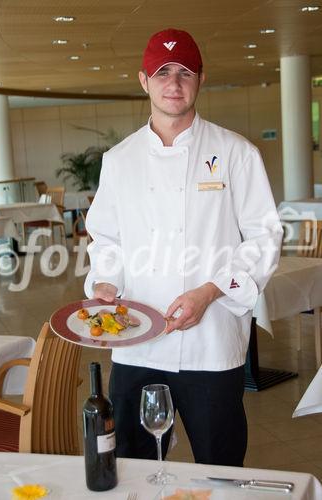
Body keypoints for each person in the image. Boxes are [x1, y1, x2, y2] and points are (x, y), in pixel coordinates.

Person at [84, 28, 283, 466]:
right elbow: (107, 238)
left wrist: (210, 290)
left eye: (185, 72)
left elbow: (265, 236)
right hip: (138, 340)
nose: (174, 83)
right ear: (144, 81)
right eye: (163, 73)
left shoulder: (236, 153)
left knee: (221, 465)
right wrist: (105, 282)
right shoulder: (120, 160)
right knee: (133, 465)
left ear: (200, 79)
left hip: (210, 343)